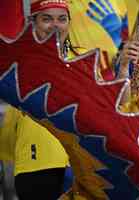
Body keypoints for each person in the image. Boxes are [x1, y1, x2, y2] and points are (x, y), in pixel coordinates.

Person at [0, 1, 72, 199]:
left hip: (82, 167)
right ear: (33, 23)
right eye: (47, 19)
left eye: (62, 19)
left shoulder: (84, 63)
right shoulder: (16, 62)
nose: (55, 25)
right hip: (37, 167)